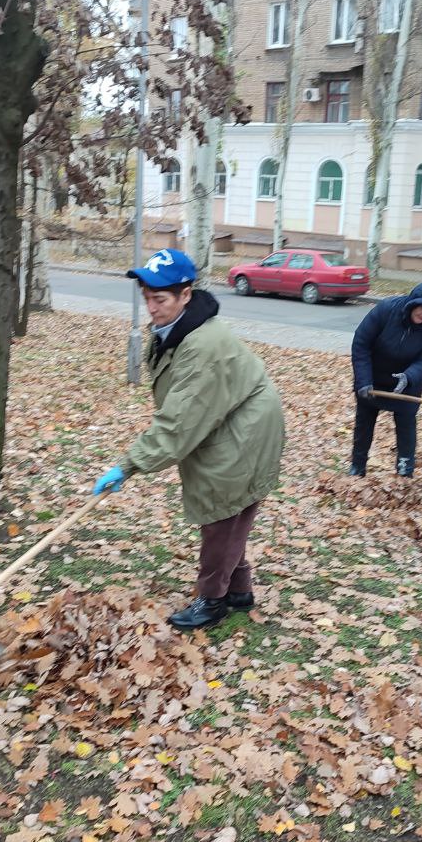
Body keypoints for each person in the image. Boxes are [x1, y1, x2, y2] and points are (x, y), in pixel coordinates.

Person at [91, 249, 285, 631]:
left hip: (243, 433)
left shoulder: (202, 345)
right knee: (231, 514)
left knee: (221, 514)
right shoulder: (178, 330)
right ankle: (239, 590)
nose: (151, 307)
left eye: (159, 299)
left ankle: (212, 600)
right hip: (226, 422)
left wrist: (127, 465)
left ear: (186, 295)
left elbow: (177, 424)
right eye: (146, 298)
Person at [349, 281, 422, 478]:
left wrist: (409, 377)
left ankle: (405, 470)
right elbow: (361, 343)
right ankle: (358, 466)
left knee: (406, 427)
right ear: (412, 303)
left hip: (406, 384)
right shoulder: (387, 309)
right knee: (364, 425)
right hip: (372, 379)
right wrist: (363, 380)